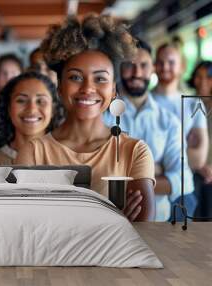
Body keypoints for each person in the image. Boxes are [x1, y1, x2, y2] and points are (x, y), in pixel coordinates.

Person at [15, 15, 156, 221]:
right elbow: (26, 227)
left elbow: (144, 233)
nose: (88, 88)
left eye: (100, 79)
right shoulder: (34, 152)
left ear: (114, 90)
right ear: (60, 87)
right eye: (75, 77)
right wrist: (113, 222)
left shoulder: (134, 151)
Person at [104, 39, 194, 221]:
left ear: (152, 68)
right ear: (120, 68)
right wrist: (153, 172)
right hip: (109, 221)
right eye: (130, 65)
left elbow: (185, 180)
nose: (137, 73)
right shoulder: (103, 115)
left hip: (159, 225)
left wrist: (124, 178)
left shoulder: (168, 121)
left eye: (143, 65)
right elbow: (97, 174)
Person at [0, 72, 62, 165]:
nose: (31, 109)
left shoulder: (67, 159)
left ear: (53, 109)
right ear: (8, 107)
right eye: (21, 100)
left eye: (40, 101)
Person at [153, 43, 209, 172]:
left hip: (186, 186)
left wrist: (158, 164)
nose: (165, 67)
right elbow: (140, 158)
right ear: (154, 66)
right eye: (160, 62)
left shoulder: (194, 104)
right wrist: (184, 149)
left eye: (171, 62)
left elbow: (198, 159)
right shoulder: (144, 102)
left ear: (182, 66)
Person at [188, 61, 212, 217]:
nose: (202, 81)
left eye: (208, 77)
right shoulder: (187, 104)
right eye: (199, 76)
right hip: (191, 171)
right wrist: (199, 164)